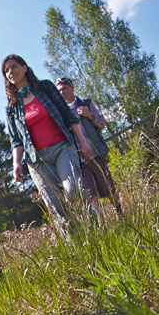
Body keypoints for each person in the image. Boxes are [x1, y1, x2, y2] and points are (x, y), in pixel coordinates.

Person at [1, 55, 95, 233]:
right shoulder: (11, 106)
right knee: (57, 206)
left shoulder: (44, 88)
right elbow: (16, 140)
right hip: (37, 161)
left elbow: (68, 116)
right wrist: (16, 165)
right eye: (6, 70)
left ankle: (93, 227)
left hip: (63, 149)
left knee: (73, 190)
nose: (10, 72)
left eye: (14, 67)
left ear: (25, 67)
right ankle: (77, 245)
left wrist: (83, 141)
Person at [55, 76, 122, 218]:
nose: (62, 92)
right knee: (91, 196)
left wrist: (89, 115)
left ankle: (120, 213)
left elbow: (102, 124)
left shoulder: (86, 103)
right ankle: (102, 226)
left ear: (72, 88)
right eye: (59, 90)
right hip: (79, 161)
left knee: (109, 191)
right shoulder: (61, 113)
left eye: (65, 88)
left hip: (96, 154)